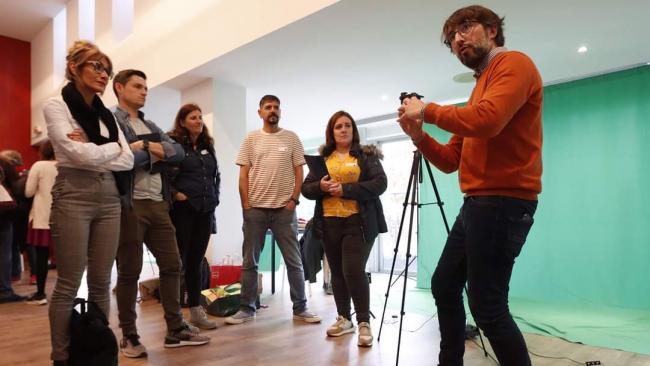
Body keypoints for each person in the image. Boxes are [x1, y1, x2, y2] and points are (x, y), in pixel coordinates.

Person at [397, 5, 543, 366]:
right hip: (478, 204)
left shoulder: (514, 64)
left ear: (492, 30)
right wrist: (419, 136)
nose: (457, 39)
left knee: (487, 306)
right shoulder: (479, 88)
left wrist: (426, 109)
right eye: (451, 39)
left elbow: (489, 121)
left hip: (503, 203)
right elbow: (450, 160)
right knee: (445, 284)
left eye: (464, 28)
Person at [43, 40, 134, 366]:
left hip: (109, 197)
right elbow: (75, 155)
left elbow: (128, 162)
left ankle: (99, 355)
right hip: (74, 194)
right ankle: (62, 358)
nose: (104, 74)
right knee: (68, 281)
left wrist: (95, 148)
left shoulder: (107, 114)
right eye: (96, 66)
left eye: (107, 69)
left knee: (101, 281)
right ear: (74, 67)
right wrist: (109, 148)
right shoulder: (56, 106)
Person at [112, 70, 210, 358]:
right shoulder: (112, 121)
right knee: (129, 272)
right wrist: (154, 151)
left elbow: (176, 152)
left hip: (159, 203)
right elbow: (122, 159)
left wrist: (142, 146)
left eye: (146, 87)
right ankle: (129, 335)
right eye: (138, 86)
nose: (145, 91)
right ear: (119, 88)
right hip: (130, 204)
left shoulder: (149, 123)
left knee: (172, 265)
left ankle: (175, 330)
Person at [226, 95, 321, 325]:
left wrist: (294, 200)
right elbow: (243, 175)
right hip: (255, 210)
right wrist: (246, 204)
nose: (273, 110)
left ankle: (300, 308)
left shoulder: (291, 138)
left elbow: (299, 171)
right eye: (268, 107)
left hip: (284, 210)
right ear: (260, 112)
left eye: (276, 107)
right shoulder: (251, 139)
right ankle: (247, 308)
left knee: (294, 261)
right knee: (250, 261)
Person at [302, 111, 387, 347]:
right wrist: (320, 185)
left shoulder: (366, 155)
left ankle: (363, 322)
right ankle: (344, 319)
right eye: (338, 126)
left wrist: (346, 190)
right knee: (337, 273)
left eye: (348, 125)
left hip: (358, 221)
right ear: (332, 131)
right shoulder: (323, 159)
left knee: (353, 270)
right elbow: (306, 189)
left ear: (353, 130)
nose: (343, 129)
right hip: (328, 222)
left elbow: (380, 183)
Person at [168, 103, 220, 330]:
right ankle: (175, 315)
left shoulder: (208, 146)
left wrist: (215, 198)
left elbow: (215, 175)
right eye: (193, 117)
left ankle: (197, 312)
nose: (198, 121)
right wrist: (174, 194)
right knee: (179, 261)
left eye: (200, 117)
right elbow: (162, 175)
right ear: (182, 122)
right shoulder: (174, 145)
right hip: (182, 210)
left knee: (196, 261)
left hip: (205, 210)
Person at [24, 141, 58, 305]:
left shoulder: (39, 165)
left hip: (42, 216)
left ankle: (41, 293)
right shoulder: (66, 165)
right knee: (65, 259)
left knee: (41, 257)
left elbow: (28, 191)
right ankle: (66, 295)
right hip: (63, 217)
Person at [0, 159, 27, 303]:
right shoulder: (4, 164)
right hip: (3, 215)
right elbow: (17, 188)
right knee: (5, 253)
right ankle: (4, 290)